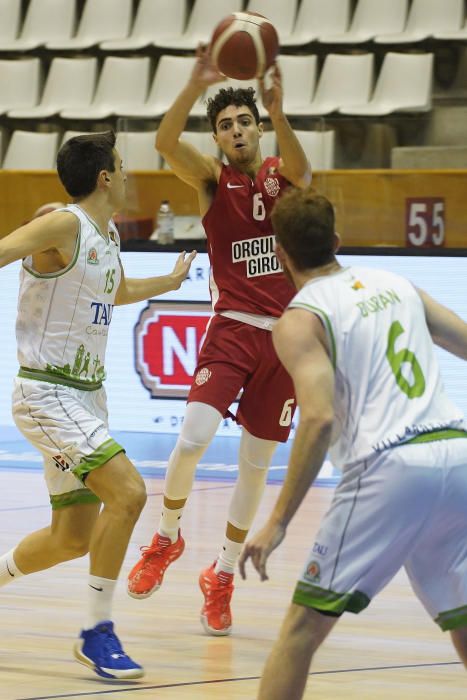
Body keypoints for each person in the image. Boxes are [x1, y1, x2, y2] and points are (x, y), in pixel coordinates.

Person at [239, 187, 467, 700]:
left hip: (388, 469)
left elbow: (318, 419)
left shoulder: (300, 318)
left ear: (279, 253)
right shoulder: (396, 283)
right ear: (337, 240)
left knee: (300, 632)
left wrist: (277, 522)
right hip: (457, 456)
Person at [127, 47, 312, 636]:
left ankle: (223, 573)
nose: (236, 131)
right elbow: (163, 141)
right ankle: (166, 537)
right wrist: (194, 85)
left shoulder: (283, 175)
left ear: (258, 128)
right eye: (225, 125)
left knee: (256, 466)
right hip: (232, 328)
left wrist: (282, 113)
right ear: (218, 137)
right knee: (192, 438)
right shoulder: (212, 180)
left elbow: (305, 171)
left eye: (244, 122)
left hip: (284, 339)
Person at [0, 131, 196, 680]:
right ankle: (96, 632)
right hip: (47, 391)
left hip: (87, 397)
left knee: (72, 539)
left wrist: (170, 280)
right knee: (130, 493)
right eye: (122, 165)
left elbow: (113, 291)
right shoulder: (62, 222)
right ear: (105, 176)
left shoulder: (104, 234)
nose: (129, 173)